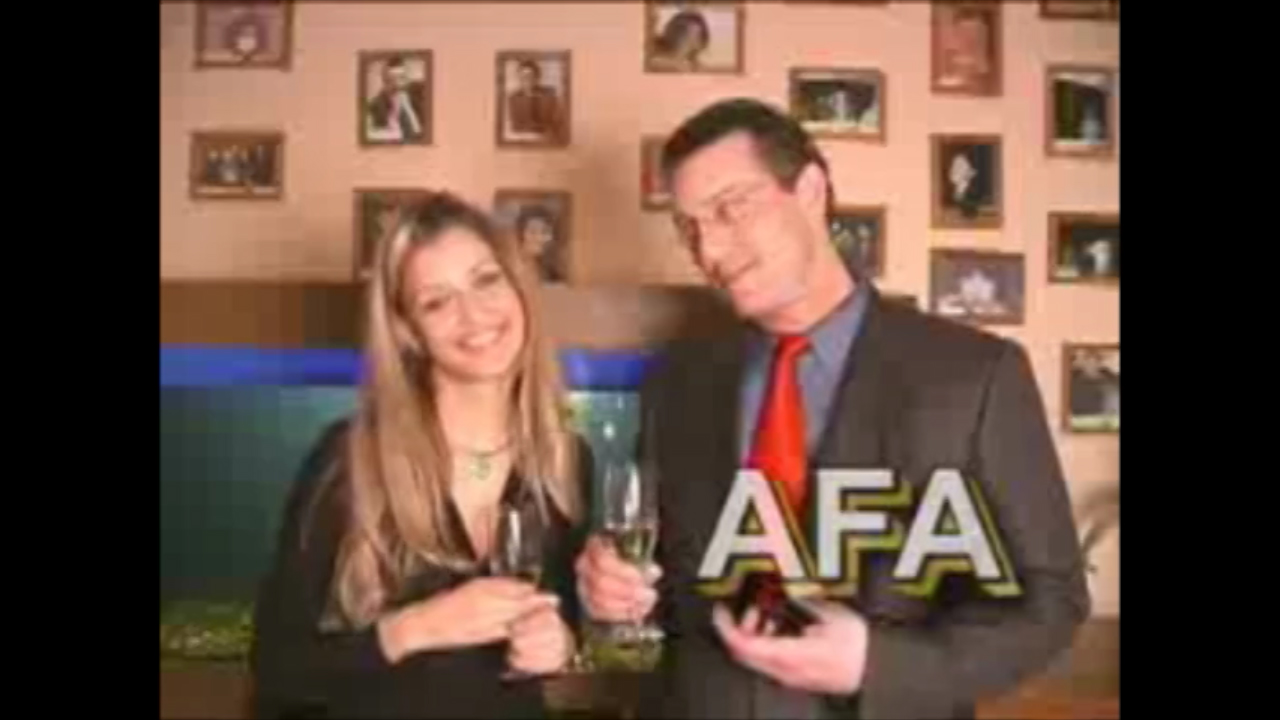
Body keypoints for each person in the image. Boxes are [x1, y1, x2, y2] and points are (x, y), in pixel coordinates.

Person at [575, 98, 1090, 719]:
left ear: (811, 191)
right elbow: (666, 585)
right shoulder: (678, 381)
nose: (708, 248)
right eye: (689, 227)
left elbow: (1052, 602)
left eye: (729, 209)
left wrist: (875, 664)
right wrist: (614, 589)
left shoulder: (977, 375)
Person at [250, 192, 593, 719]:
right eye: (436, 302)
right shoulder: (349, 461)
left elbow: (564, 622)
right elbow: (278, 667)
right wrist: (417, 628)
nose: (473, 315)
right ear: (409, 330)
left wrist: (559, 644)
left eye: (486, 280)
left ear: (519, 287)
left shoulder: (566, 460)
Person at [366, 56, 428, 143]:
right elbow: (377, 134)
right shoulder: (376, 104)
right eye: (393, 78)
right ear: (385, 80)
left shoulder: (417, 89)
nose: (398, 83)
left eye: (402, 77)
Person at [506, 60, 564, 142]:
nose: (526, 79)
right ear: (519, 78)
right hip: (522, 140)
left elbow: (557, 123)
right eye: (523, 76)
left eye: (530, 75)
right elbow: (516, 126)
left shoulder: (549, 95)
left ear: (537, 77)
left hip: (547, 139)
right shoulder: (513, 98)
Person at [514, 204, 564, 282]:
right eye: (533, 232)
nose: (539, 238)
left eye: (545, 232)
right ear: (520, 234)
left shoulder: (551, 270)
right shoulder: (511, 269)